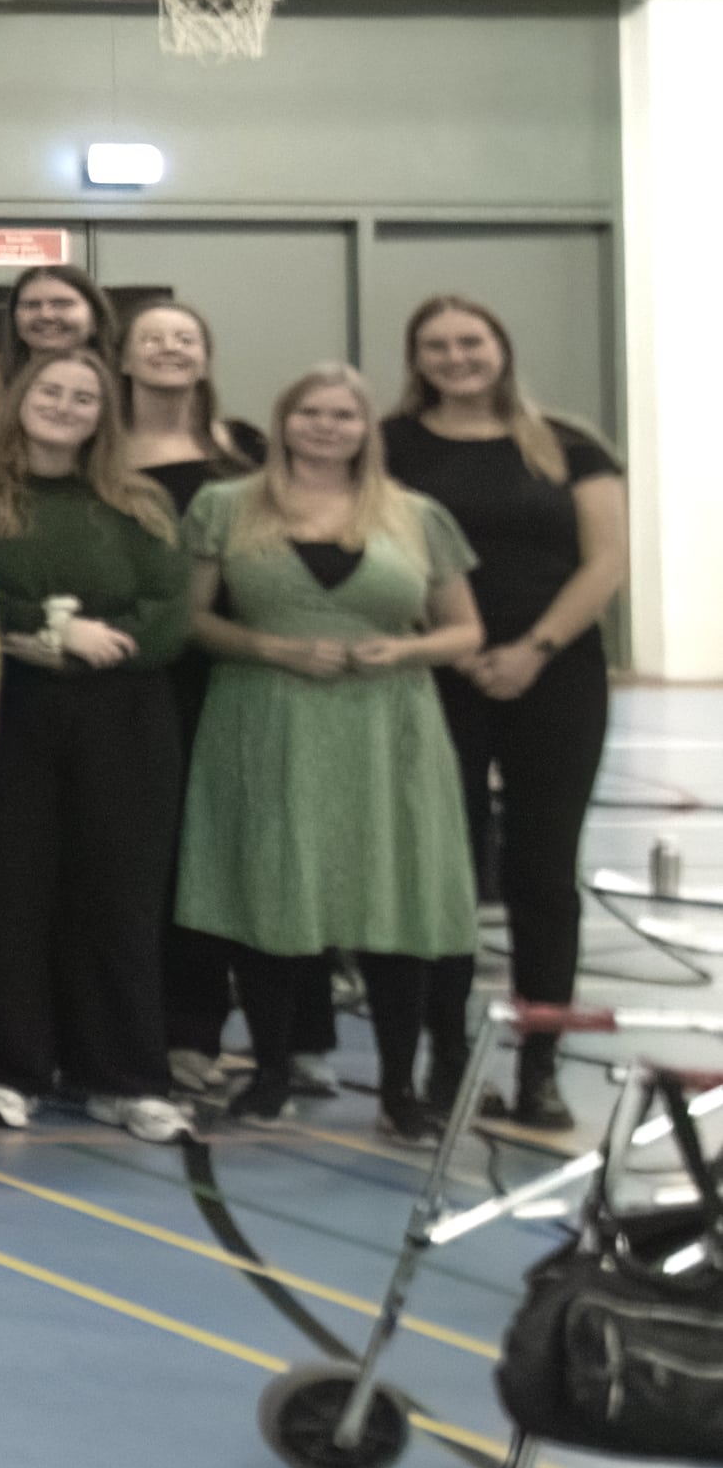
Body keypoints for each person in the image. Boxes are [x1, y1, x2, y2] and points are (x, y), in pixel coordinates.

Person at [180, 368, 490, 1133]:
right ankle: (270, 1074)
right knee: (273, 894)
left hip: (389, 728)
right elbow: (189, 619)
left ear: (366, 428)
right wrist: (269, 647)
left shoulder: (416, 515)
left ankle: (398, 1090)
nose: (326, 426)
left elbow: (465, 631)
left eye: (344, 414)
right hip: (267, 718)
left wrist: (404, 651)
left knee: (394, 900)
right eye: (310, 412)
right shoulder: (225, 506)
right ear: (283, 421)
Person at [0, 347, 191, 1142]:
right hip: (11, 710)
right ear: (20, 397)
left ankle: (121, 1076)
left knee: (117, 895)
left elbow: (169, 610)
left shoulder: (139, 501)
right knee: (8, 889)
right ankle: (4, 1068)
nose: (65, 405)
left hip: (125, 717)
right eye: (51, 390)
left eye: (84, 397)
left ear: (104, 414)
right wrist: (48, 633)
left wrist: (86, 644)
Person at [392, 294, 624, 1131]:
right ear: (417, 359)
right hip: (439, 675)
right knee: (443, 872)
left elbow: (606, 562)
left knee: (544, 876)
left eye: (471, 341)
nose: (456, 357)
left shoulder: (569, 444)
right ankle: (448, 1060)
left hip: (556, 675)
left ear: (501, 347)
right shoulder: (392, 447)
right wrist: (452, 646)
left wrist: (534, 650)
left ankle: (539, 1068)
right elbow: (378, 551)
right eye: (437, 345)